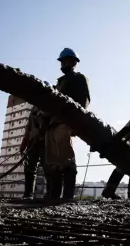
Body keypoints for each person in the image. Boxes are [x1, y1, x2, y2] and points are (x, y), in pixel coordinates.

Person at [44, 48, 91, 202]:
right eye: (62, 61)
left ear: (73, 62)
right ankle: (54, 196)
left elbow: (84, 101)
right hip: (53, 124)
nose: (63, 64)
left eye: (66, 61)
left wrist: (76, 122)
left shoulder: (79, 78)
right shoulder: (59, 82)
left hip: (66, 122)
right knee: (54, 163)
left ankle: (67, 196)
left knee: (66, 160)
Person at [20, 84, 51, 201]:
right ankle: (27, 194)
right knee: (29, 168)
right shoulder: (34, 108)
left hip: (45, 142)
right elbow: (28, 128)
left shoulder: (49, 107)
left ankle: (50, 194)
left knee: (48, 168)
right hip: (33, 142)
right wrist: (24, 143)